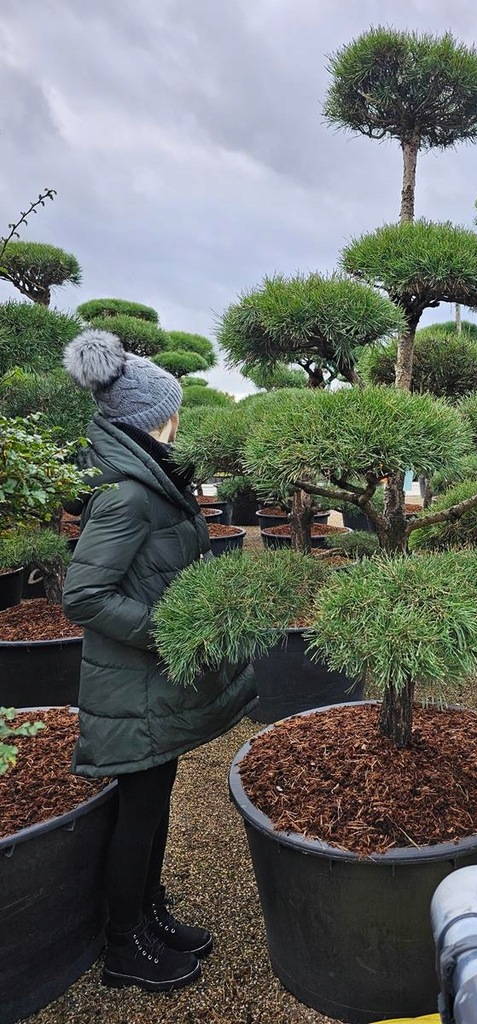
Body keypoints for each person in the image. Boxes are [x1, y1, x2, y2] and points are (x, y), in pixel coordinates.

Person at [62, 328, 259, 993]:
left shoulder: (153, 483)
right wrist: (168, 632)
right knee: (139, 809)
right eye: (174, 411)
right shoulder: (127, 496)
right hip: (136, 686)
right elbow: (83, 595)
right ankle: (124, 946)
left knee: (156, 801)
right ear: (155, 421)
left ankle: (149, 914)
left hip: (154, 684)